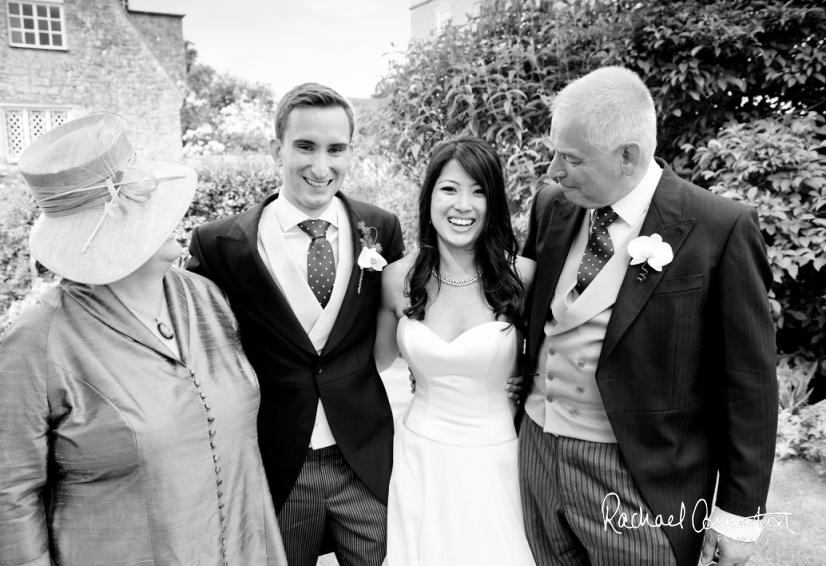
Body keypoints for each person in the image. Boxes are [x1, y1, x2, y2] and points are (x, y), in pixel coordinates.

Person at [0, 112, 287, 566]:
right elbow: (7, 496)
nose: (174, 210)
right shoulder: (35, 345)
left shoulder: (206, 298)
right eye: (148, 203)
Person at [518, 66, 778, 566]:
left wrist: (739, 515)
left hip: (642, 480)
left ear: (628, 157)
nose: (552, 171)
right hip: (536, 454)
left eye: (570, 159)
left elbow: (749, 381)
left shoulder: (719, 228)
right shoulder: (552, 205)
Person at [186, 83, 405, 566]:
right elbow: (195, 351)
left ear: (351, 151)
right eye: (305, 146)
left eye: (336, 149)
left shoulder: (382, 228)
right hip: (275, 466)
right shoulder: (219, 244)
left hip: (365, 460)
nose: (321, 166)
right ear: (276, 149)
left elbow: (406, 320)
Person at [373, 136, 537, 565]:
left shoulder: (523, 277)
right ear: (429, 196)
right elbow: (374, 361)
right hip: (420, 456)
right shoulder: (396, 279)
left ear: (494, 203)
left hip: (497, 455)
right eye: (449, 189)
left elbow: (552, 361)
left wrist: (526, 379)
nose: (463, 205)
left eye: (478, 191)